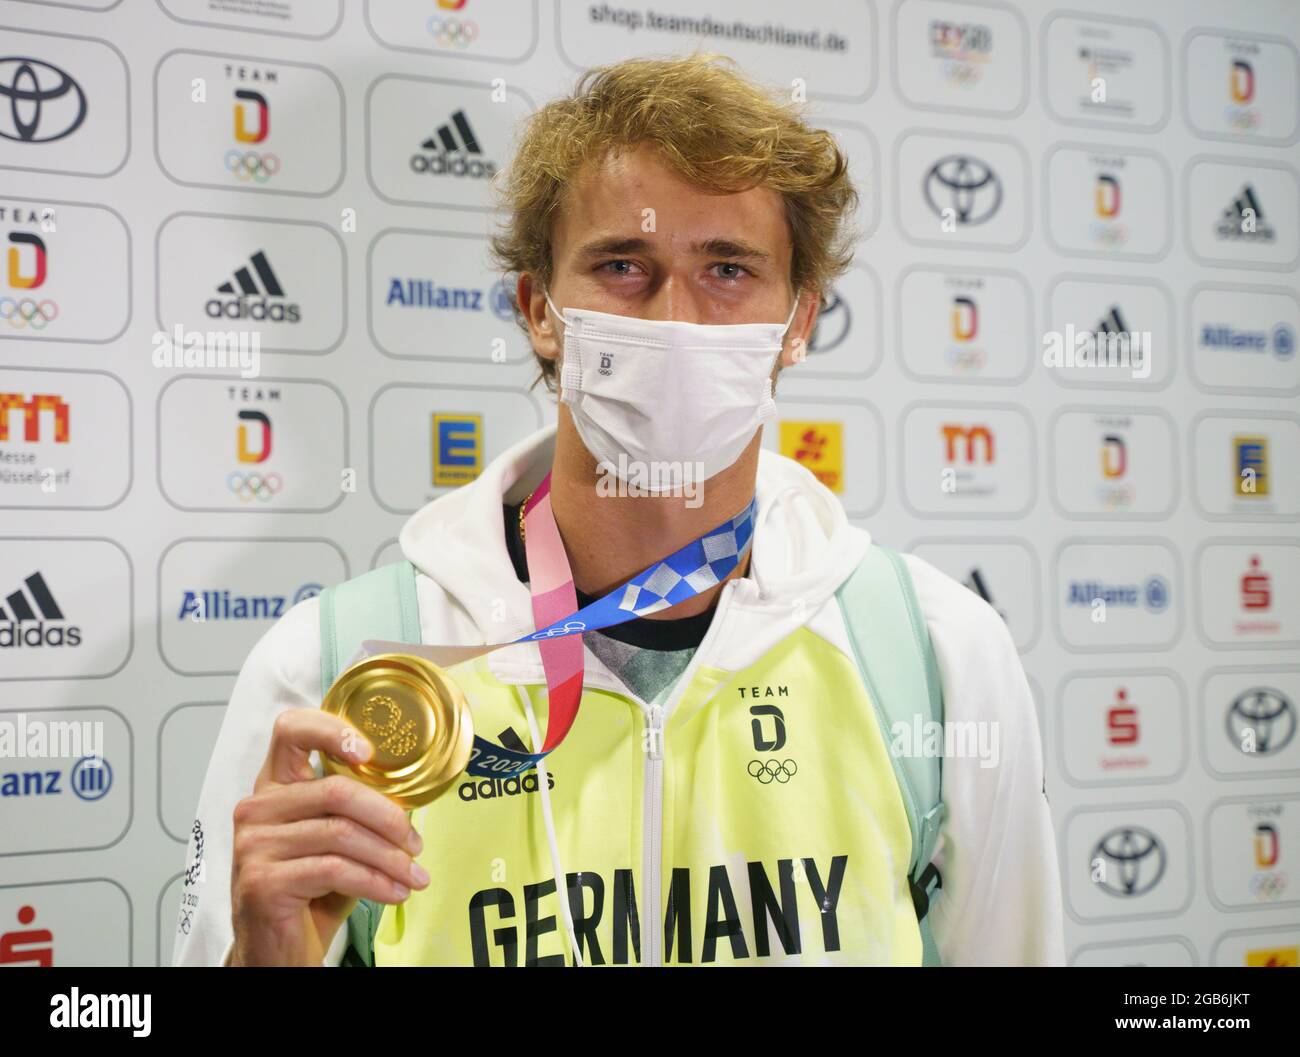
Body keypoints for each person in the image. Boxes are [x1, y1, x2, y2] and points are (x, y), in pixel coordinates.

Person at [173, 54, 1064, 967]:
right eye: (624, 265)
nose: (676, 318)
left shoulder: (934, 657)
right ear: (541, 311)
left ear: (799, 322)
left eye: (727, 267)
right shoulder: (339, 668)